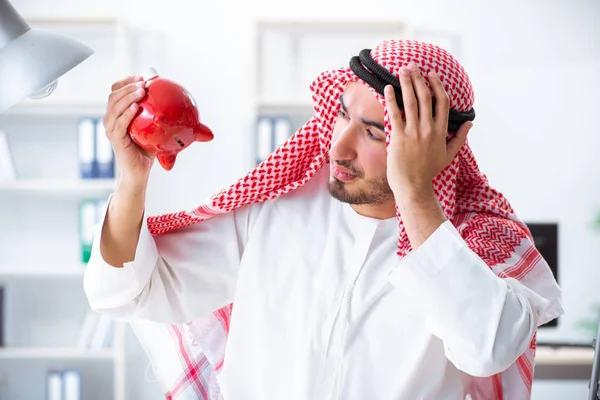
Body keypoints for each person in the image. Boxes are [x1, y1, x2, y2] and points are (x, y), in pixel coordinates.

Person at [83, 40, 563, 400]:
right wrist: (133, 179)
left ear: (448, 144)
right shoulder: (275, 208)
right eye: (342, 115)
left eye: (375, 131)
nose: (338, 147)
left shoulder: (478, 240)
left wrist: (416, 194)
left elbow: (487, 348)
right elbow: (129, 292)